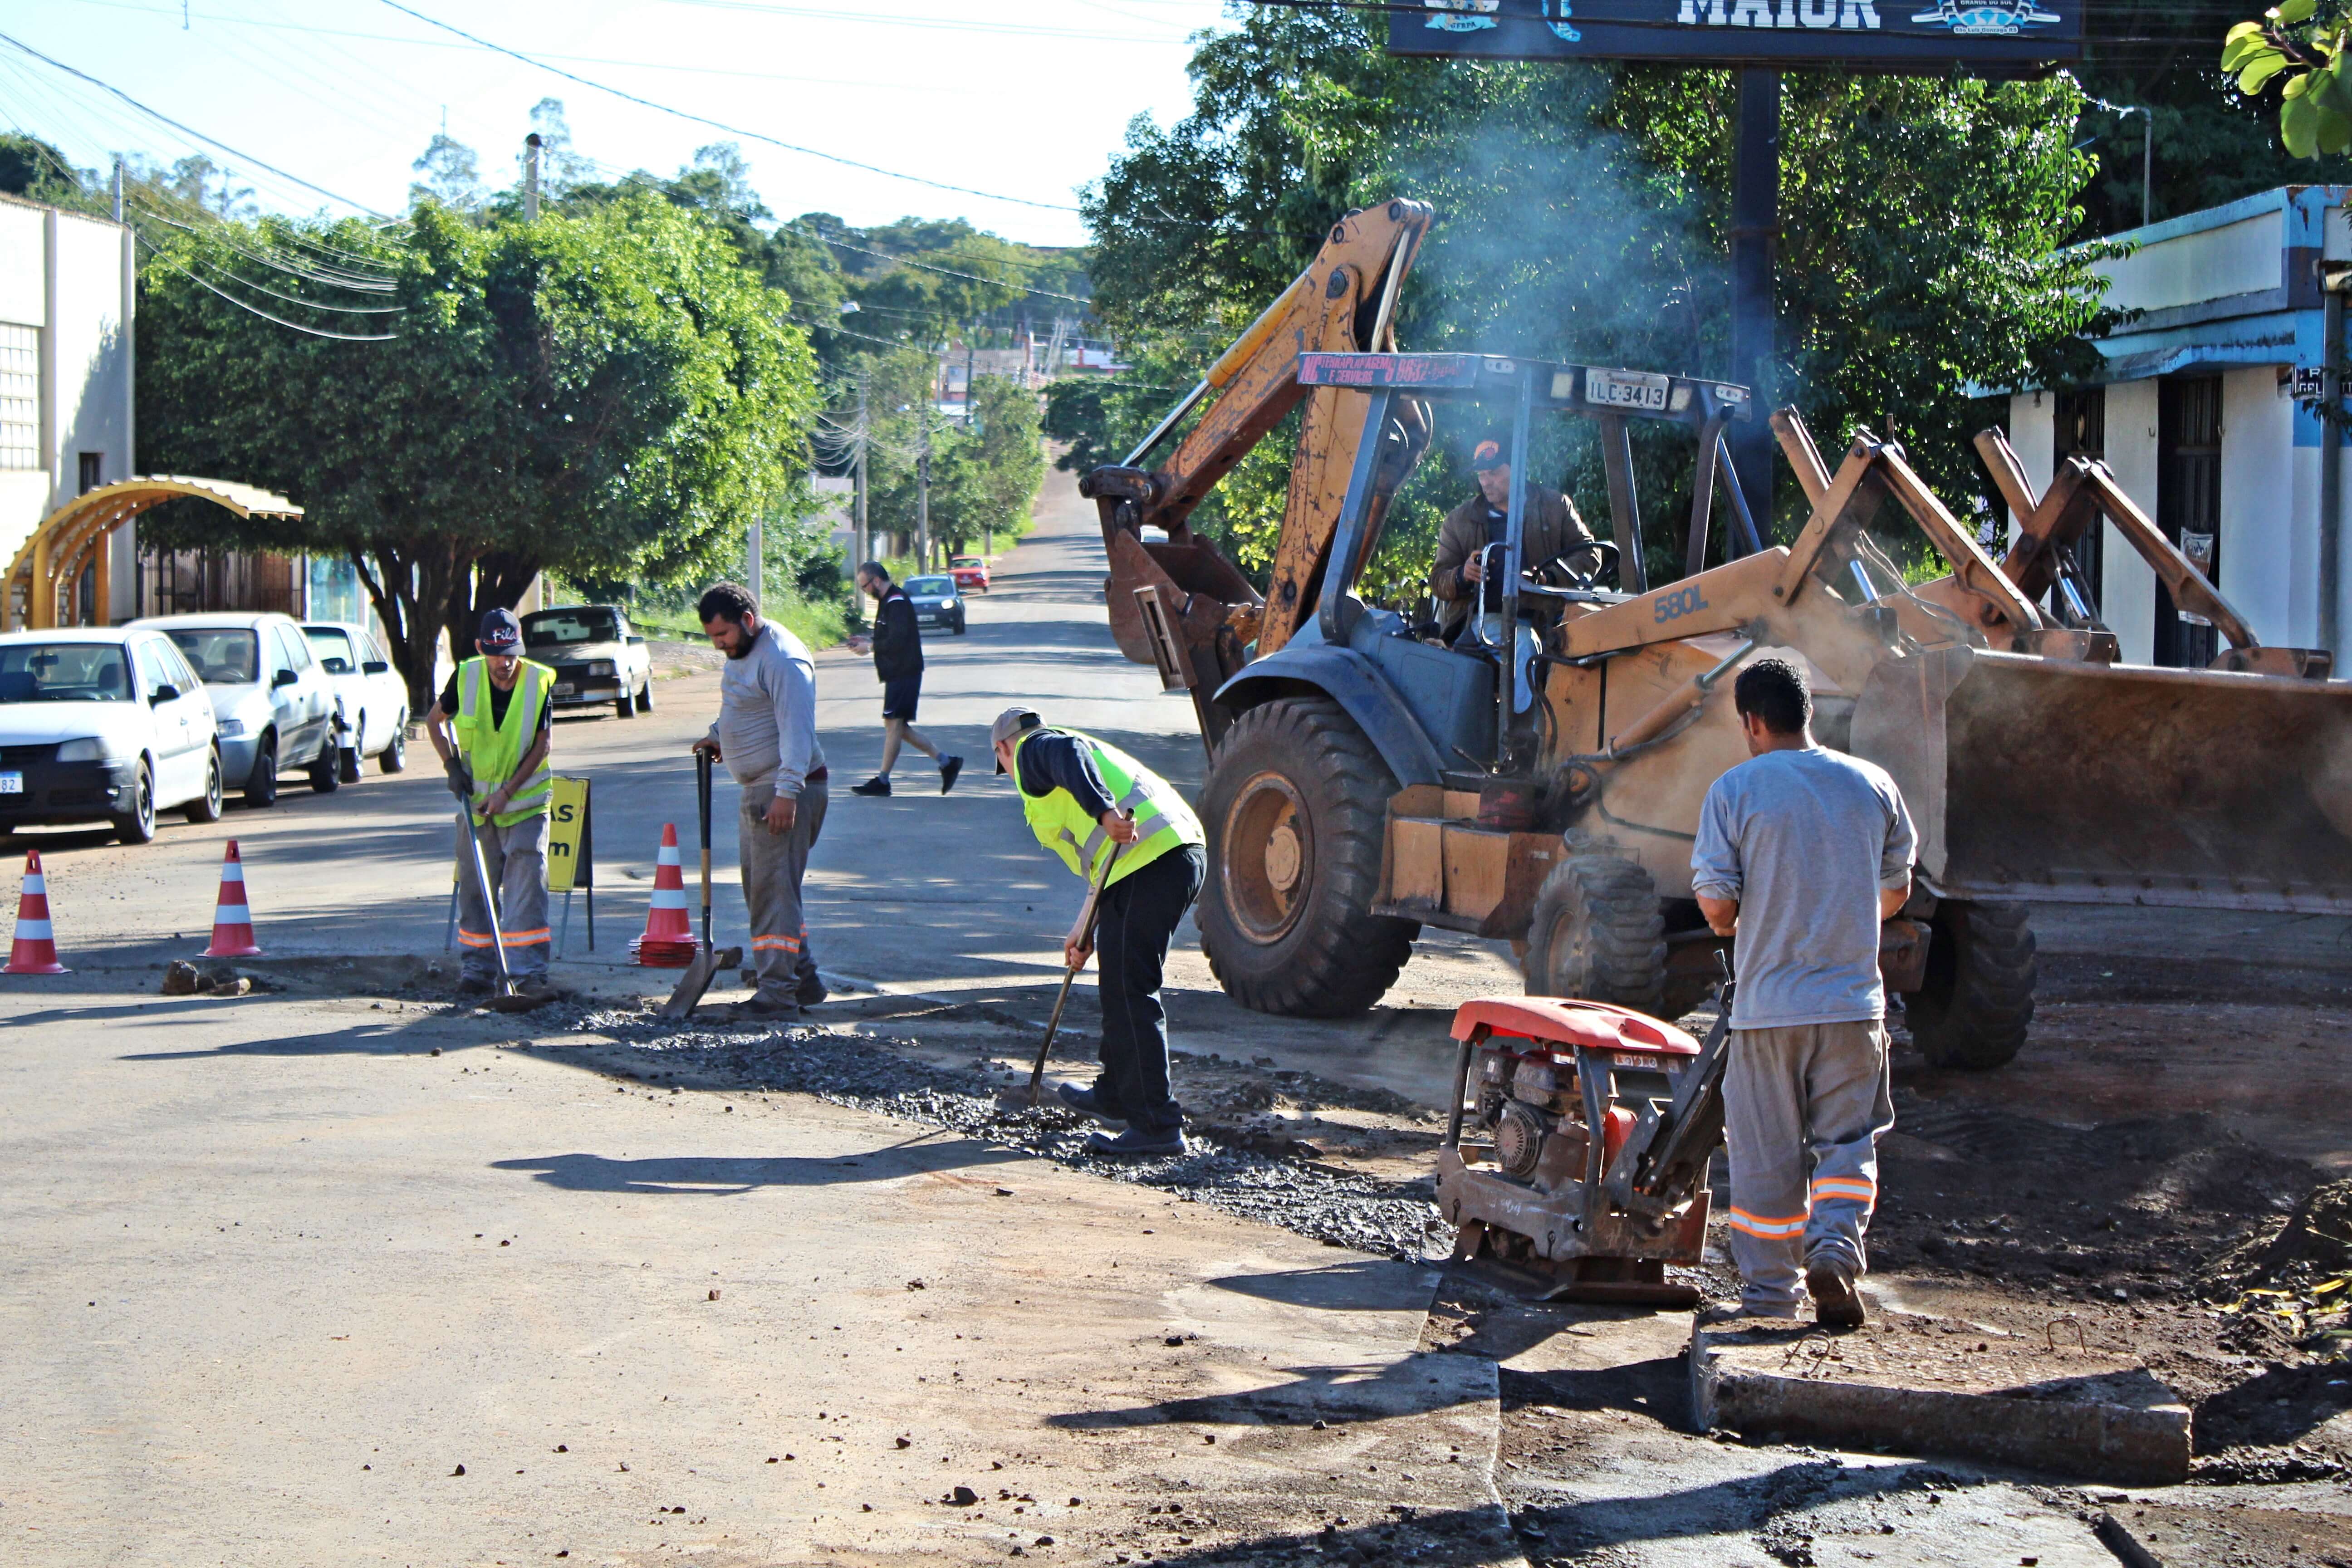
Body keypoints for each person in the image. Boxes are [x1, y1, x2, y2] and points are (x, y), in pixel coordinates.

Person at [1690, 657, 1917, 1328]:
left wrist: (1754, 911)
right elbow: (1897, 891)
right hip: (1853, 1007)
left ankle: (1769, 1298)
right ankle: (1836, 1250)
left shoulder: (1734, 791)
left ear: (1753, 722)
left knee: (1767, 1158)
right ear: (1807, 713)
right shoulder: (1873, 784)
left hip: (1768, 1012)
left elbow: (1717, 909)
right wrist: (1841, 908)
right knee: (1848, 1141)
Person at [992, 707, 1205, 1157]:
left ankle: (1156, 1125)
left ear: (1003, 748)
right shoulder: (1072, 754)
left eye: (1002, 763)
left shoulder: (1035, 748)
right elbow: (1100, 862)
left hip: (1152, 861)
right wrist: (1084, 926)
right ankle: (1114, 1093)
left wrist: (1104, 811)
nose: (1010, 774)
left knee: (1131, 989)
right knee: (1119, 982)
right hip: (1161, 858)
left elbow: (1065, 753)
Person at [691, 581, 830, 1023]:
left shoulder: (783, 659)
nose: (720, 645)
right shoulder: (744, 655)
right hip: (762, 788)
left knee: (771, 895)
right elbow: (744, 706)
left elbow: (797, 731)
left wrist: (787, 793)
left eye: (724, 636)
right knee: (770, 894)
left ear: (747, 621)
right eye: (713, 637)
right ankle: (800, 978)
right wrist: (718, 736)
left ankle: (777, 994)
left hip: (785, 788)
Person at [423, 607, 557, 1002]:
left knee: (526, 892)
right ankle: (478, 971)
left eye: (512, 652)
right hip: (477, 809)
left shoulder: (538, 681)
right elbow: (434, 722)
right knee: (477, 889)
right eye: (497, 653)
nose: (506, 662)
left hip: (526, 807)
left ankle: (528, 975)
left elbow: (542, 744)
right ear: (482, 648)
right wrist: (450, 765)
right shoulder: (465, 678)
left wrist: (507, 793)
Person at [1429, 433, 1603, 642]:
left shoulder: (1556, 506)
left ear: (1517, 469)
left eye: (1493, 473)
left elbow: (1590, 552)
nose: (1486, 482)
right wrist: (1462, 575)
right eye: (1481, 475)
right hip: (1484, 621)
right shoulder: (1459, 521)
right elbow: (1438, 580)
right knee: (1522, 642)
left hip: (1549, 617)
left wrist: (1550, 578)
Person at [845, 562, 962, 797]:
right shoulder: (889, 601)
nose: (865, 591)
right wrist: (867, 639)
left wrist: (870, 647)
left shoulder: (896, 602)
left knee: (894, 726)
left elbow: (898, 640)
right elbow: (891, 634)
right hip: (899, 673)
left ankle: (883, 780)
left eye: (865, 586)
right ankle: (947, 762)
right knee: (899, 729)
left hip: (904, 672)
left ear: (876, 581)